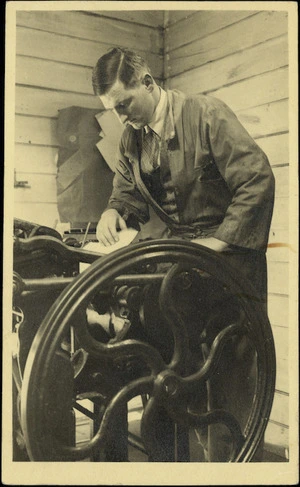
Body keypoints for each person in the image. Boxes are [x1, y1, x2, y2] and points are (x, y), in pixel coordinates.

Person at [91, 47, 275, 461]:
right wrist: (113, 210)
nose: (121, 117)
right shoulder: (131, 138)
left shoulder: (207, 115)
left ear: (148, 83)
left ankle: (237, 468)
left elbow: (257, 181)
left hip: (230, 264)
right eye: (113, 109)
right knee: (179, 366)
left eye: (124, 104)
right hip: (185, 267)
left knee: (231, 375)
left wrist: (218, 242)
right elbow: (126, 191)